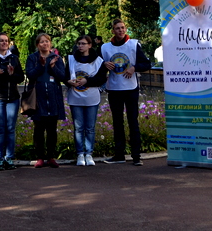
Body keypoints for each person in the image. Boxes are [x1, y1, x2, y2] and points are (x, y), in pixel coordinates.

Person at [101, 19, 151, 166]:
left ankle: (136, 156)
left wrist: (134, 68)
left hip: (131, 89)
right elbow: (96, 64)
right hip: (114, 89)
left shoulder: (134, 45)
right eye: (117, 28)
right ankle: (119, 154)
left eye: (122, 28)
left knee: (132, 122)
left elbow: (146, 63)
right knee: (117, 123)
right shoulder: (105, 48)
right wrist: (104, 64)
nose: (120, 30)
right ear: (113, 31)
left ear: (125, 29)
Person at [25, 33, 67, 168]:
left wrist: (53, 67)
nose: (45, 44)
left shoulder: (56, 58)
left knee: (51, 129)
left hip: (53, 97)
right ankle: (40, 157)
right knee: (38, 129)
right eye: (42, 42)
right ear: (38, 45)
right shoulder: (32, 58)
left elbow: (63, 77)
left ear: (50, 43)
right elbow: (30, 74)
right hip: (38, 98)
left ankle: (51, 156)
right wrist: (41, 66)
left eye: (47, 41)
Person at [66, 35, 107, 166]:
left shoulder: (99, 61)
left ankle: (89, 153)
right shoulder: (71, 59)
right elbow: (65, 76)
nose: (80, 46)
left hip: (91, 98)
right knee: (78, 127)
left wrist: (87, 81)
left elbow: (102, 79)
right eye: (78, 43)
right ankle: (80, 154)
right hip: (75, 97)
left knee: (90, 127)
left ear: (90, 45)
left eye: (83, 43)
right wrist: (69, 82)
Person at [0, 32, 24, 171]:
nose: (4, 43)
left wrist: (12, 73)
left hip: (12, 98)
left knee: (10, 129)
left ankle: (9, 158)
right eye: (1, 41)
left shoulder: (14, 58)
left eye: (6, 41)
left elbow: (20, 77)